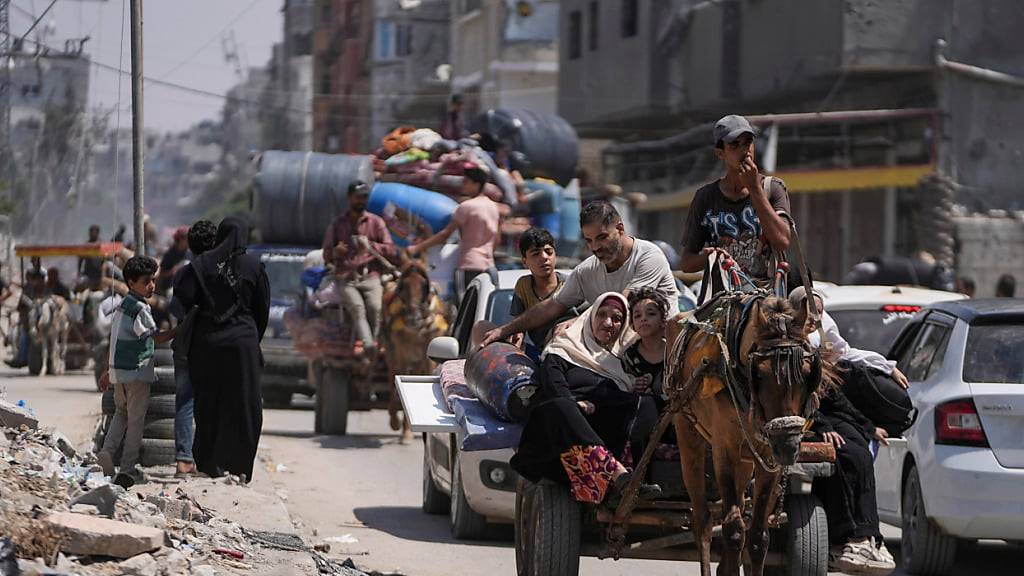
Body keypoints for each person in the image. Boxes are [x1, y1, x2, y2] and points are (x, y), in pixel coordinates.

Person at [512, 292, 661, 505]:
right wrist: (577, 403)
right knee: (561, 406)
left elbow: (620, 403)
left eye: (617, 318)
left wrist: (624, 393)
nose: (608, 323)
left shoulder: (619, 363)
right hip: (556, 441)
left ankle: (634, 479)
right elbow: (554, 387)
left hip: (595, 438)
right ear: (590, 317)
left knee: (645, 403)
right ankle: (617, 474)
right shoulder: (561, 350)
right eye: (602, 314)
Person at [789, 287, 896, 574]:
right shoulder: (785, 350)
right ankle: (850, 536)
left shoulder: (817, 347)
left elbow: (835, 396)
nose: (814, 318)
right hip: (803, 419)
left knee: (859, 449)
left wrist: (869, 427)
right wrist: (820, 426)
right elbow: (793, 400)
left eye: (818, 313)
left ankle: (869, 537)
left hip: (825, 415)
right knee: (844, 455)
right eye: (808, 312)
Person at [481, 199, 679, 348]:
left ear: (620, 228)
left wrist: (576, 322)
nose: (596, 247)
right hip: (615, 358)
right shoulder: (587, 269)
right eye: (589, 240)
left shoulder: (648, 256)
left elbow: (622, 304)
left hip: (664, 355)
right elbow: (552, 306)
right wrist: (505, 330)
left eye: (602, 237)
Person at [173, 217, 270, 481]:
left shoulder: (201, 266)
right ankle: (240, 468)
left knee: (209, 404)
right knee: (245, 406)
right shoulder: (254, 265)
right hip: (244, 345)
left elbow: (181, 305)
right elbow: (263, 310)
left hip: (208, 345)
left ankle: (209, 464)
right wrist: (249, 337)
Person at [679, 115, 792, 285]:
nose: (744, 150)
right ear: (720, 153)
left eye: (747, 142)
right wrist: (711, 257)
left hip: (766, 293)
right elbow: (686, 263)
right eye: (734, 145)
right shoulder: (706, 197)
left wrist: (754, 189)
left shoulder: (772, 188)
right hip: (724, 297)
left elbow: (783, 241)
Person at [96, 256, 173, 487]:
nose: (151, 286)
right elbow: (155, 337)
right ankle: (128, 470)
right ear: (131, 282)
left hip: (119, 372)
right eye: (146, 281)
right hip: (137, 373)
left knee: (121, 413)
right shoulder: (140, 309)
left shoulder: (121, 305)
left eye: (153, 280)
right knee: (136, 421)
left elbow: (114, 341)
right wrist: (180, 329)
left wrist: (108, 370)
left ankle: (107, 452)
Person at [321, 180, 396, 358]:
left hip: (371, 275)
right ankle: (369, 345)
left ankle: (374, 342)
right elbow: (326, 254)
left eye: (364, 197)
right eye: (358, 197)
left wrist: (370, 246)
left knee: (375, 307)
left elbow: (391, 249)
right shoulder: (338, 224)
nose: (361, 201)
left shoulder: (376, 222)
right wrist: (336, 252)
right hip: (347, 277)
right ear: (349, 198)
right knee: (357, 308)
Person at [168, 220, 217, 477]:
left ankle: (184, 460)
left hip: (186, 345)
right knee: (210, 402)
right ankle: (207, 459)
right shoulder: (220, 273)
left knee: (184, 402)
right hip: (212, 346)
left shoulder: (184, 273)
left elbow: (174, 309)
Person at [407, 166, 500, 301]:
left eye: (466, 182)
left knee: (464, 308)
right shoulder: (493, 207)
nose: (463, 185)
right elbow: (497, 238)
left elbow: (445, 234)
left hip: (469, 266)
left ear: (476, 184)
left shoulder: (466, 207)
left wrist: (417, 248)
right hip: (489, 266)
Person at [622, 287, 670, 467]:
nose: (643, 319)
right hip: (646, 418)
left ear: (663, 320)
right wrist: (634, 386)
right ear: (633, 325)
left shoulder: (674, 351)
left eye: (650, 314)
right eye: (637, 316)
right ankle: (641, 478)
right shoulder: (629, 356)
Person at [509, 227, 570, 357]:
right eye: (536, 254)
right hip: (538, 354)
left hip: (568, 351)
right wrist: (515, 345)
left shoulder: (570, 284)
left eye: (549, 252)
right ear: (524, 261)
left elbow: (589, 316)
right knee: (481, 328)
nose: (544, 258)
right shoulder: (523, 285)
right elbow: (519, 326)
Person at [157, 226, 191, 294]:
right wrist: (173, 271)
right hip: (170, 287)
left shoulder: (189, 253)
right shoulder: (170, 254)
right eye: (187, 238)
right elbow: (161, 274)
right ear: (181, 239)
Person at [79, 225, 105, 290]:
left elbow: (105, 259)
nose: (92, 234)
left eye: (94, 232)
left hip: (98, 273)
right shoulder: (86, 245)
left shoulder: (101, 245)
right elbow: (81, 259)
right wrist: (79, 271)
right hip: (88, 272)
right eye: (91, 232)